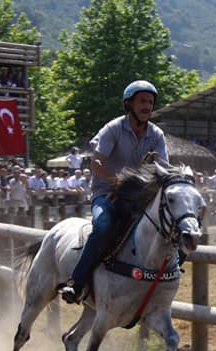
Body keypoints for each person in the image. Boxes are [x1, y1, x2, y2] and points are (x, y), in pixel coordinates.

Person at [59, 80, 168, 304]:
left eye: (150, 101)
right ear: (129, 104)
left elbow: (163, 166)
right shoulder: (113, 129)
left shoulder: (156, 134)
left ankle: (160, 283)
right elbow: (96, 162)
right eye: (142, 101)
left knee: (162, 228)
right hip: (106, 194)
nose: (147, 105)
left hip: (137, 198)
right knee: (103, 227)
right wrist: (114, 181)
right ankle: (77, 283)